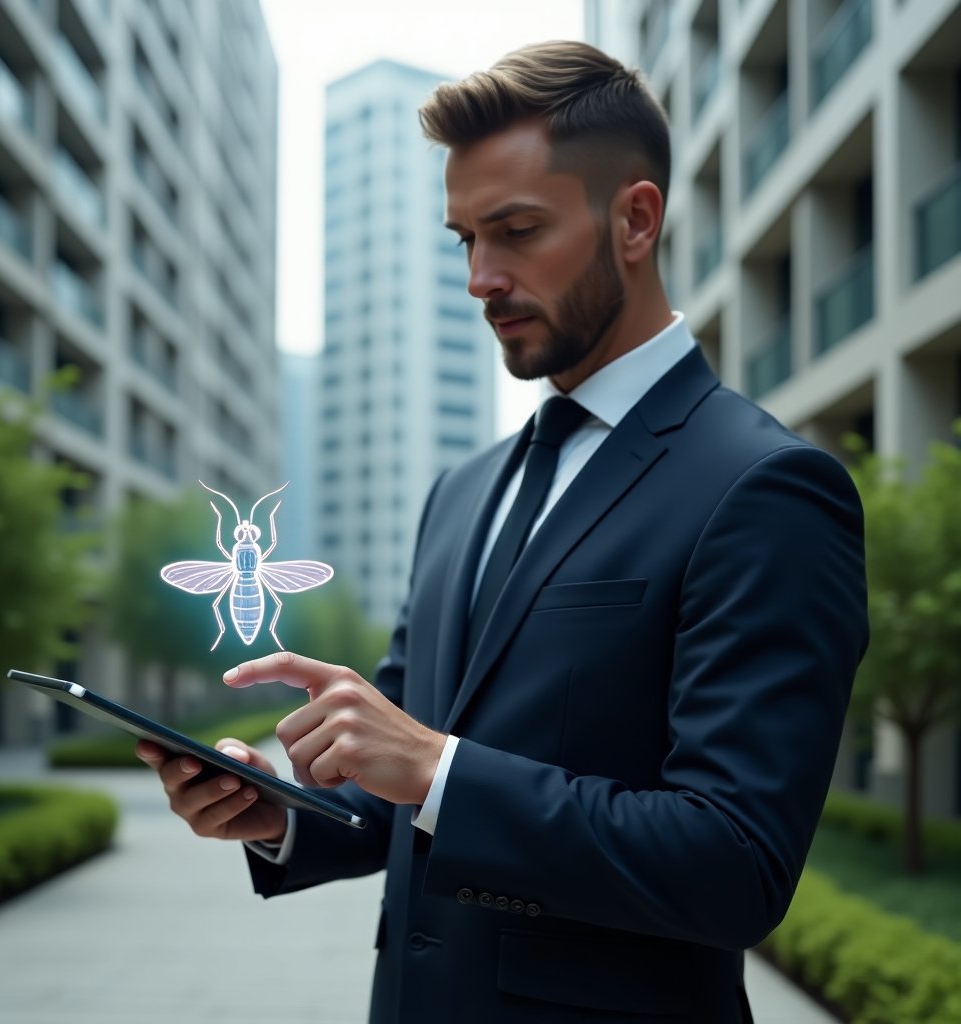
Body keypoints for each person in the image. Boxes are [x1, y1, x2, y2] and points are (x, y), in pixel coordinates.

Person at [137, 41, 868, 1023]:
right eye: (463, 239)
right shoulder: (462, 490)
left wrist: (438, 768)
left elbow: (733, 863)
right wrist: (284, 815)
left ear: (635, 220)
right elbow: (403, 783)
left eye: (516, 231)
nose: (480, 277)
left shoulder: (766, 487)